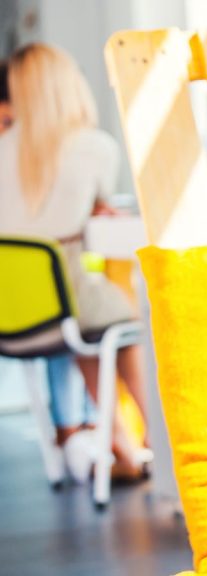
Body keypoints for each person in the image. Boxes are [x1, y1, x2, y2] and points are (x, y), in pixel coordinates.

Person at [0, 43, 152, 480]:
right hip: (67, 303)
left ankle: (120, 444)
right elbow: (94, 204)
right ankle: (156, 439)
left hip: (18, 315)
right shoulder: (93, 148)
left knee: (86, 324)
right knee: (124, 322)